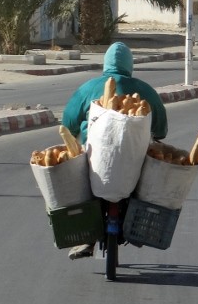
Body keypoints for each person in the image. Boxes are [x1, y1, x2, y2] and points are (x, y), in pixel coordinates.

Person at [61, 41, 168, 259]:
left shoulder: (88, 89)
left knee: (81, 184)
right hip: (134, 158)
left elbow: (68, 123)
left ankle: (85, 237)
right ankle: (137, 225)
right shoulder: (145, 90)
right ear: (130, 65)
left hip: (94, 157)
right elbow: (161, 128)